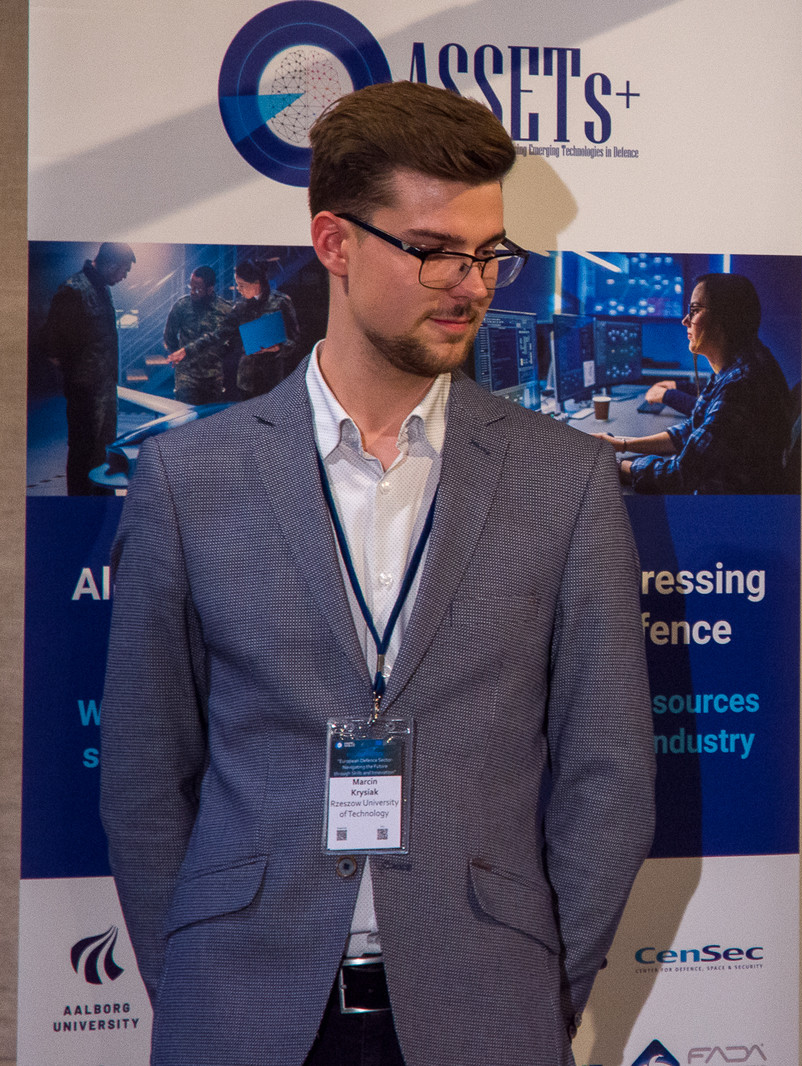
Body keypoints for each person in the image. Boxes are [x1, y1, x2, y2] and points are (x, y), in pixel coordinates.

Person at [100, 80, 655, 1066]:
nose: (471, 284)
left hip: (483, 1009)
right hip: (242, 1010)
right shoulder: (190, 478)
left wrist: (536, 985)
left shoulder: (563, 479)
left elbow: (608, 771)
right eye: (434, 249)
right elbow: (146, 773)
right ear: (335, 243)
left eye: (487, 253)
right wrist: (195, 974)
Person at [598, 272, 793, 493]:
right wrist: (622, 444)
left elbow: (679, 475)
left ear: (725, 318)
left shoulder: (742, 384)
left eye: (695, 310)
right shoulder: (737, 366)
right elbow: (693, 431)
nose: (685, 321)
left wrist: (615, 466)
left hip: (731, 508)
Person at [41, 241, 136, 494]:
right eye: (124, 270)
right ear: (111, 265)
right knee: (83, 455)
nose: (124, 276)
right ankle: (80, 507)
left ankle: (101, 503)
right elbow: (52, 346)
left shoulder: (102, 288)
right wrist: (79, 378)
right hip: (85, 395)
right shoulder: (74, 290)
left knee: (103, 452)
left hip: (105, 391)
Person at [169, 260, 301, 400]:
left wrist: (278, 348)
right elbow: (218, 334)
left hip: (272, 379)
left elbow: (295, 340)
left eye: (242, 285)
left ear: (256, 283)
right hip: (247, 380)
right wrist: (186, 350)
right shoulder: (240, 307)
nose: (238, 289)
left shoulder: (281, 302)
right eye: (237, 284)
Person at [162, 266, 232, 404]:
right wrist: (178, 355)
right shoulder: (182, 306)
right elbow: (169, 335)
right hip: (187, 376)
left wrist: (220, 354)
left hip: (213, 376)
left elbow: (232, 339)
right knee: (186, 414)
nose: (193, 292)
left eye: (198, 289)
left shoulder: (225, 310)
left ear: (210, 289)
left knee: (212, 416)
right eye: (191, 287)